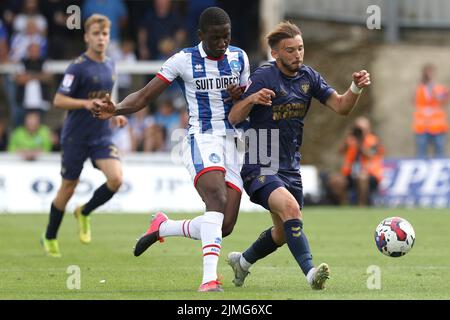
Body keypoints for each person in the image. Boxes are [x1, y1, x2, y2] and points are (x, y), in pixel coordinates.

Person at [92, 7, 250, 292]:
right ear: (200, 36)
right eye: (215, 38)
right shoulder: (183, 60)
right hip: (201, 138)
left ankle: (163, 227)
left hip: (232, 143)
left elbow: (245, 101)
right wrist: (116, 108)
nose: (222, 43)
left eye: (226, 37)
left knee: (224, 226)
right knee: (215, 197)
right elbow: (144, 95)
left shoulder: (240, 57)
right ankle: (209, 280)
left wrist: (243, 96)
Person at [226, 21, 371, 290]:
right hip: (261, 160)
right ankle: (311, 274)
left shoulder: (309, 77)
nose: (298, 55)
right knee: (292, 210)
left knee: (282, 233)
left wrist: (355, 88)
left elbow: (341, 107)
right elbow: (234, 116)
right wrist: (252, 98)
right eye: (290, 50)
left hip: (290, 165)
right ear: (276, 54)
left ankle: (242, 262)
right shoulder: (263, 76)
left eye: (301, 48)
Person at [41, 14, 128, 258]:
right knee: (69, 186)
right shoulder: (77, 67)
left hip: (100, 136)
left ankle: (85, 211)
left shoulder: (110, 65)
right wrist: (85, 103)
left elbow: (105, 99)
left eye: (105, 34)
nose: (101, 38)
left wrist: (115, 113)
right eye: (96, 34)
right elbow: (58, 100)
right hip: (75, 137)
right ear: (86, 37)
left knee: (116, 179)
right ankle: (49, 236)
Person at [332, 116, 384, 206]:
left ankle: (362, 205)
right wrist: (347, 138)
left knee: (362, 177)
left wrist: (360, 144)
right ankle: (344, 205)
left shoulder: (373, 140)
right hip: (351, 173)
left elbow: (371, 155)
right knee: (336, 180)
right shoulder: (350, 139)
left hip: (369, 174)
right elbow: (339, 151)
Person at [413, 64, 449, 158]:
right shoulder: (419, 88)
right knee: (421, 151)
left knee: (439, 151)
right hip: (422, 126)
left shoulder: (439, 88)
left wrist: (435, 92)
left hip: (437, 126)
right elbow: (414, 100)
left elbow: (444, 99)